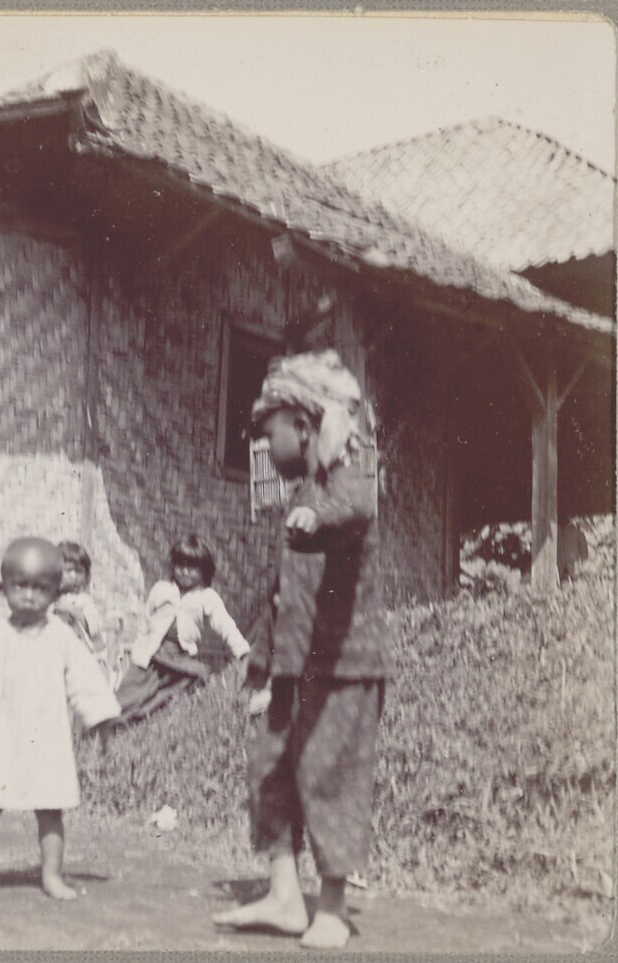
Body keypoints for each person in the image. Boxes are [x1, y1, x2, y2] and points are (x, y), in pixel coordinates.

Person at [213, 350, 388, 950]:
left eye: (270, 433)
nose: (265, 446)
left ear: (305, 425)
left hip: (345, 664)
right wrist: (262, 663)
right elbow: (282, 593)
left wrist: (319, 519)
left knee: (330, 775)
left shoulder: (348, 471)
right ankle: (286, 896)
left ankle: (332, 907)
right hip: (293, 664)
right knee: (268, 767)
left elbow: (355, 511)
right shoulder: (301, 494)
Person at [0, 538, 119, 900]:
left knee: (50, 810)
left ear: (55, 592)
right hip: (0, 739)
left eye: (40, 588)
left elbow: (86, 683)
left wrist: (102, 723)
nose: (30, 596)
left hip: (46, 740)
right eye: (20, 586)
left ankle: (51, 875)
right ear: (3, 587)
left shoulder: (61, 638)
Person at [110, 535, 250, 724]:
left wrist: (242, 651)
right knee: (126, 696)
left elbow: (226, 625)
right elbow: (145, 620)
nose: (184, 572)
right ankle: (110, 723)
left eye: (192, 567)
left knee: (194, 678)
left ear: (204, 570)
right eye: (180, 565)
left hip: (178, 659)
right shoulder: (161, 589)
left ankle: (148, 715)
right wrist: (138, 650)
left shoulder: (207, 597)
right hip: (151, 656)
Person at [52, 541, 118, 687]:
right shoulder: (50, 599)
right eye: (68, 570)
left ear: (86, 575)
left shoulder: (83, 601)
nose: (73, 576)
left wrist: (73, 611)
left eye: (79, 571)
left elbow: (93, 630)